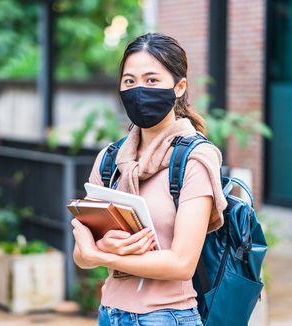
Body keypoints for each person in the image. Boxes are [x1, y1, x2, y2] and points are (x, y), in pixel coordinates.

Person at [71, 33, 228, 326]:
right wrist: (97, 250)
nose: (139, 90)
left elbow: (182, 263)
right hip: (110, 314)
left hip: (167, 316)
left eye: (152, 80)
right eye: (129, 81)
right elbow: (81, 255)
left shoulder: (195, 158)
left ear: (179, 87)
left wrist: (103, 254)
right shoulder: (111, 159)